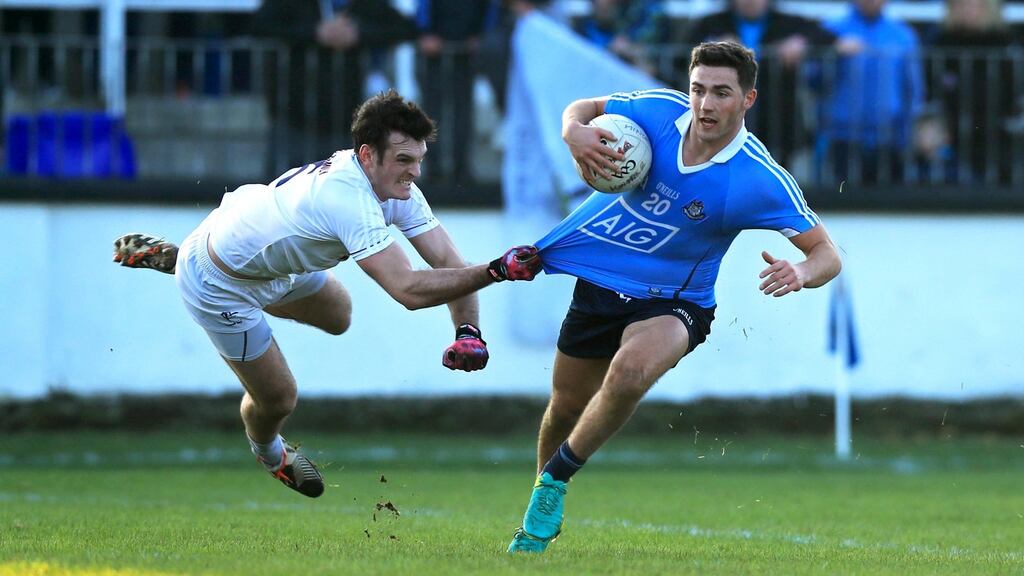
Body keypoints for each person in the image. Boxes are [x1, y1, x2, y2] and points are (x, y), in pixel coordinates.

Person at [112, 90, 541, 498]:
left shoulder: (394, 186)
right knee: (279, 399)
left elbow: (449, 262)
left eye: (419, 159)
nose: (415, 171)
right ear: (367, 155)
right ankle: (270, 453)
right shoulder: (347, 198)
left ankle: (183, 255)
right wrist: (498, 271)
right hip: (218, 284)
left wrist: (469, 330)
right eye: (404, 159)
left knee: (340, 314)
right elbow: (407, 289)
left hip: (259, 252)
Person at [505, 41, 842, 553]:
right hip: (603, 283)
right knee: (565, 405)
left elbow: (827, 254)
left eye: (721, 93)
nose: (705, 105)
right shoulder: (659, 111)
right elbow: (585, 109)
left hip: (675, 301)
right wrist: (574, 134)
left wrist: (801, 269)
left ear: (748, 99)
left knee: (629, 373)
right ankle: (541, 494)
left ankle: (552, 486)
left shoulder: (757, 177)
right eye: (698, 90)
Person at [252, 0, 419, 168]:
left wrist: (358, 33)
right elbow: (259, 25)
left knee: (342, 184)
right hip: (293, 113)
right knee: (287, 184)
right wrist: (315, 32)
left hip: (345, 115)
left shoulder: (364, 4)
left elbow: (405, 28)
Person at [685, 0, 849, 167]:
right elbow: (684, 52)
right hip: (726, 117)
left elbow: (826, 36)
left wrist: (800, 42)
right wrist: (712, 46)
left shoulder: (786, 22)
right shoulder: (714, 23)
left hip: (777, 119)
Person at [819, 0, 923, 185]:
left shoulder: (903, 35)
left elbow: (913, 88)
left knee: (891, 206)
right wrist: (833, 52)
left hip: (890, 136)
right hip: (843, 134)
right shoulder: (830, 30)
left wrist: (910, 128)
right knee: (842, 203)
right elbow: (813, 79)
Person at [926, 0, 1020, 184]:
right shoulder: (940, 43)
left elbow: (1014, 93)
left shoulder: (1006, 44)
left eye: (976, 5)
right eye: (963, 5)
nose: (969, 10)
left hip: (996, 132)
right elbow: (931, 91)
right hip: (951, 132)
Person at [415, 0, 497, 184]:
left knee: (463, 110)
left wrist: (480, 36)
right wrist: (425, 33)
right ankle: (433, 168)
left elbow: (489, 10)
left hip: (465, 51)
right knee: (432, 111)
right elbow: (422, 8)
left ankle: (462, 167)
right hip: (434, 53)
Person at [576, 0, 671, 81]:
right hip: (602, 69)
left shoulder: (648, 10)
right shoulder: (588, 25)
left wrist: (630, 49)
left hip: (638, 67)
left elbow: (646, 56)